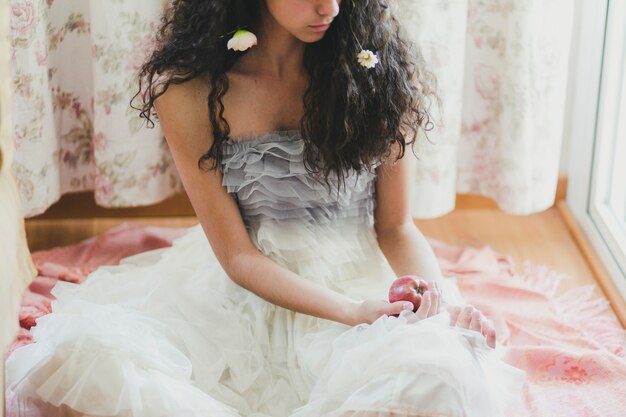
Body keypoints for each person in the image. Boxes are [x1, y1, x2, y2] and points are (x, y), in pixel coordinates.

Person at [5, 1, 527, 416]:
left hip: (361, 277)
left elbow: (395, 226)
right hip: (246, 289)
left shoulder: (375, 73)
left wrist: (436, 304)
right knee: (102, 367)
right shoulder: (189, 91)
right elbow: (238, 257)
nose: (331, 8)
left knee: (434, 377)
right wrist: (350, 314)